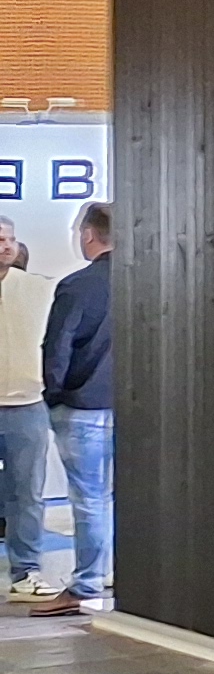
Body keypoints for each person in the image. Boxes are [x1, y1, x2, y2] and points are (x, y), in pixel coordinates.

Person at [32, 201, 110, 617]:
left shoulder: (78, 286)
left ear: (88, 234)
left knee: (89, 500)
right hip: (136, 406)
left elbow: (58, 346)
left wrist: (54, 393)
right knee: (127, 498)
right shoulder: (150, 281)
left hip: (82, 407)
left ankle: (86, 585)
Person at [0, 224, 50, 603]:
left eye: (10, 239)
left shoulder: (39, 288)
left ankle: (25, 571)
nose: (6, 246)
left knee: (27, 493)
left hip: (26, 405)